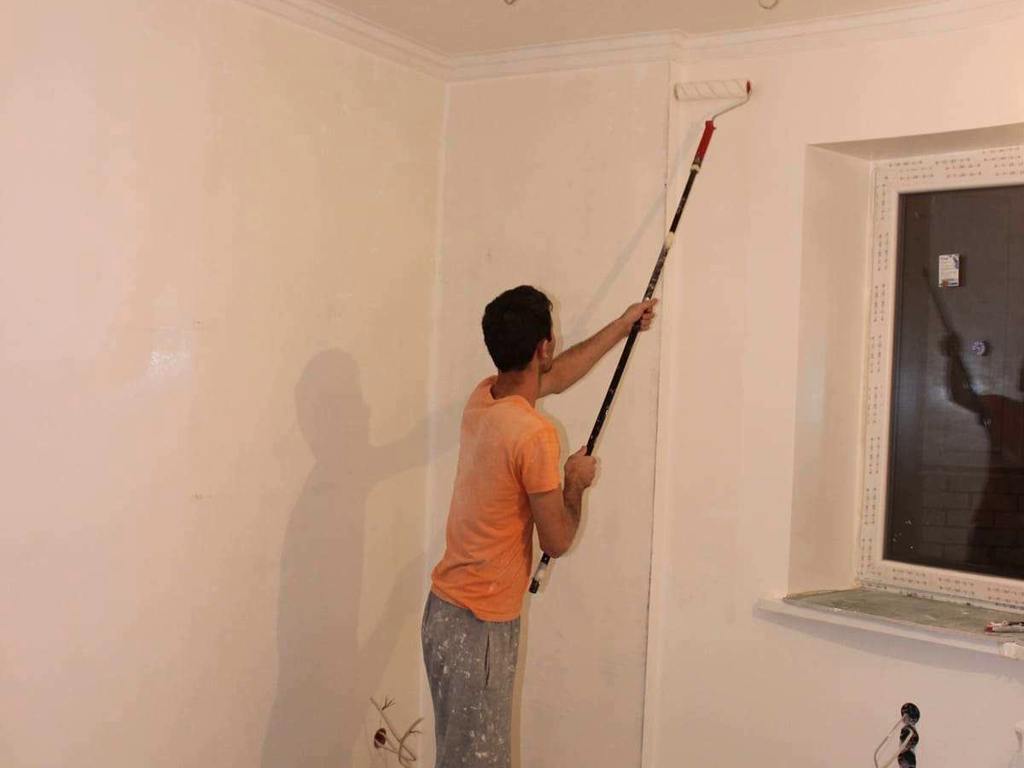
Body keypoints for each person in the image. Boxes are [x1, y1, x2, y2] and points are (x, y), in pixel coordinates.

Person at [421, 285, 657, 768]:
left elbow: (557, 376)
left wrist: (622, 325)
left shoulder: (485, 397)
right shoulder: (533, 435)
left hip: (443, 617)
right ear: (543, 347)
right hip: (480, 629)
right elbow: (558, 538)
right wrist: (576, 482)